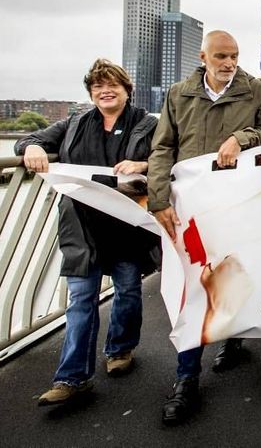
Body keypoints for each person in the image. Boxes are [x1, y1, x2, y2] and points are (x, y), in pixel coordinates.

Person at [148, 30, 261, 425]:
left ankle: (233, 338)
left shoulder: (255, 91)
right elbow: (162, 147)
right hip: (190, 206)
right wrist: (157, 199)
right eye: (221, 56)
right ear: (203, 57)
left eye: (234, 56)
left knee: (233, 275)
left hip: (236, 203)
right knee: (192, 289)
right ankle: (186, 379)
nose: (229, 63)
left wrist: (241, 137)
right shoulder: (178, 94)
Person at [18, 59, 160, 407]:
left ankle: (120, 348)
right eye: (97, 86)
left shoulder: (147, 124)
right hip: (82, 227)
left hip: (126, 226)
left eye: (111, 84)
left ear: (127, 89)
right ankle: (71, 378)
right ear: (91, 92)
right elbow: (30, 138)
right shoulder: (76, 122)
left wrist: (142, 164)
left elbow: (169, 158)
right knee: (81, 300)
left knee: (127, 291)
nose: (104, 91)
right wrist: (32, 148)